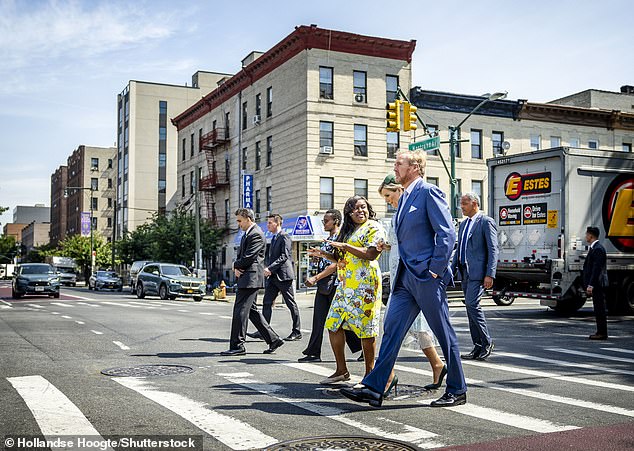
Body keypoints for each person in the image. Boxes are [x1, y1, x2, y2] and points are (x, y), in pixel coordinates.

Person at [341, 150, 467, 408]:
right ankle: (375, 388)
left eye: (399, 163)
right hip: (404, 280)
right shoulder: (405, 197)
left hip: (426, 277)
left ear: (415, 167)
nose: (395, 167)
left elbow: (447, 234)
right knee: (391, 330)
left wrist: (435, 270)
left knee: (444, 334)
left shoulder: (428, 192)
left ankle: (457, 389)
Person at [378, 174, 447, 391]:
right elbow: (397, 243)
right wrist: (385, 245)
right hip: (402, 278)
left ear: (400, 189)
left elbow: (441, 235)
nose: (388, 201)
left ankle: (386, 378)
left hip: (419, 276)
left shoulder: (420, 202)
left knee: (408, 328)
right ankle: (436, 365)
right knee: (400, 328)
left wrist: (434, 270)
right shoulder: (396, 215)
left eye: (389, 195)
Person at [315, 196, 385, 384]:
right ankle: (341, 370)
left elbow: (371, 254)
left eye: (363, 207)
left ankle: (369, 374)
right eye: (354, 209)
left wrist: (346, 246)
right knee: (333, 324)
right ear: (348, 214)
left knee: (366, 329)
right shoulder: (347, 231)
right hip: (345, 285)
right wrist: (323, 254)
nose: (360, 211)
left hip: (365, 285)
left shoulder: (374, 227)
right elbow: (341, 260)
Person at [220, 208, 285, 356]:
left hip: (251, 278)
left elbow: (249, 257)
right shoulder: (248, 233)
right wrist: (237, 266)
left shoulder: (255, 233)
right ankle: (273, 339)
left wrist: (235, 265)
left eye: (239, 221)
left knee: (240, 311)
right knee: (252, 311)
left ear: (248, 219)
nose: (238, 224)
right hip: (247, 277)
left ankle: (238, 346)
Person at [301, 209, 362, 362]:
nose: (324, 223)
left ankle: (363, 346)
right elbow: (327, 261)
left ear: (335, 221)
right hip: (324, 285)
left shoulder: (341, 239)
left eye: (326, 221)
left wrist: (315, 277)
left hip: (335, 284)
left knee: (341, 320)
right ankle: (313, 352)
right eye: (323, 221)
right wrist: (318, 257)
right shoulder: (327, 240)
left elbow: (336, 265)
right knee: (319, 319)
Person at [452, 193, 499, 361]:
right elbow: (459, 249)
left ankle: (487, 342)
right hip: (464, 272)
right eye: (461, 204)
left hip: (478, 273)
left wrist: (489, 274)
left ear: (474, 204)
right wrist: (452, 269)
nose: (461, 207)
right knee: (469, 308)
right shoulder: (464, 224)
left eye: (464, 204)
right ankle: (477, 346)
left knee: (472, 305)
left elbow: (493, 249)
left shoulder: (486, 222)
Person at [256, 214, 302, 341]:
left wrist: (270, 268)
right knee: (266, 303)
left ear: (277, 223)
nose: (268, 225)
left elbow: (284, 256)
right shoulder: (274, 238)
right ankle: (264, 330)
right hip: (273, 277)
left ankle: (297, 331)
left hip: (284, 276)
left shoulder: (284, 236)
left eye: (270, 223)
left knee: (290, 304)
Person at [583, 226, 609, 340]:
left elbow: (596, 269)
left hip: (597, 284)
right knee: (598, 308)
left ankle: (602, 332)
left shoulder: (598, 249)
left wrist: (590, 285)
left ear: (591, 235)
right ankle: (600, 331)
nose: (586, 236)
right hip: (595, 284)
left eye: (587, 234)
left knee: (599, 308)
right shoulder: (594, 248)